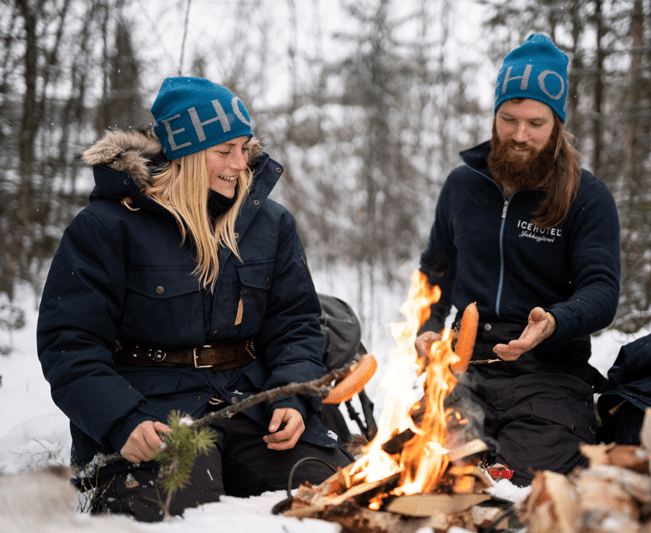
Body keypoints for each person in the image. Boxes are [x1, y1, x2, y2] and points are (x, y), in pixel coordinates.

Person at [37, 76, 352, 521]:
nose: (240, 165)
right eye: (224, 151)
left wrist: (291, 399)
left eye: (245, 148)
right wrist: (121, 420)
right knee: (181, 519)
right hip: (153, 413)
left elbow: (295, 323)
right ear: (183, 154)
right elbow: (69, 342)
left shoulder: (271, 223)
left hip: (249, 402)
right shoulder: (105, 227)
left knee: (348, 494)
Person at [415, 34, 621, 486]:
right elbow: (437, 269)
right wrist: (428, 326)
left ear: (558, 123)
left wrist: (553, 321)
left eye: (535, 123)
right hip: (465, 365)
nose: (519, 135)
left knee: (515, 480)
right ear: (494, 115)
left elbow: (603, 291)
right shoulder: (461, 187)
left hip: (549, 369)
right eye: (508, 119)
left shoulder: (588, 197)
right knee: (444, 468)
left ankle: (508, 464)